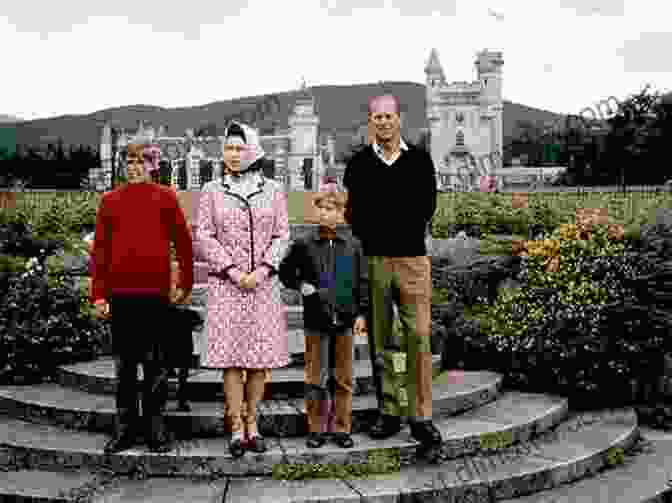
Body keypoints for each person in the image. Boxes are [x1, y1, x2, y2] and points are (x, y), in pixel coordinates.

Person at [343, 94, 443, 450]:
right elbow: (354, 214)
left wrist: (388, 220)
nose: (383, 122)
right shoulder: (358, 165)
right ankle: (389, 411)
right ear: (371, 122)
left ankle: (421, 416)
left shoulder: (419, 160)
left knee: (418, 336)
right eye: (377, 117)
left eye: (389, 116)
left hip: (413, 259)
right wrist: (381, 226)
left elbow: (426, 206)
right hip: (375, 260)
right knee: (380, 340)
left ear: (399, 119)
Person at [91, 141, 193, 454]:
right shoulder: (110, 201)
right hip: (121, 295)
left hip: (155, 295)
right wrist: (98, 294)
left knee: (156, 366)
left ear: (152, 166)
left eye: (142, 162)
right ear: (123, 166)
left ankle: (154, 425)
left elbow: (183, 243)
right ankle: (124, 428)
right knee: (124, 367)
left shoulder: (165, 197)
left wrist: (185, 283)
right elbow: (100, 251)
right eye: (130, 162)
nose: (135, 167)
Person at [196, 122, 290, 458]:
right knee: (233, 361)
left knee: (258, 361)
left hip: (263, 286)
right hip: (227, 286)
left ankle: (253, 423)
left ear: (253, 151)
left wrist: (263, 269)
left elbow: (282, 234)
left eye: (239, 148)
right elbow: (204, 236)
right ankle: (236, 426)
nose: (233, 155)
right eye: (229, 149)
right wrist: (234, 271)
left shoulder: (273, 189)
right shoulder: (211, 190)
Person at [278, 183, 367, 449]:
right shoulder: (304, 244)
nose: (328, 213)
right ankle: (316, 428)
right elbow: (285, 272)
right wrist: (300, 285)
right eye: (323, 208)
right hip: (316, 321)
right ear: (315, 210)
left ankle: (341, 428)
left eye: (334, 209)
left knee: (343, 378)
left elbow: (362, 282)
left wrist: (361, 313)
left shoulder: (353, 245)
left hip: (345, 321)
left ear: (342, 213)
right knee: (316, 378)